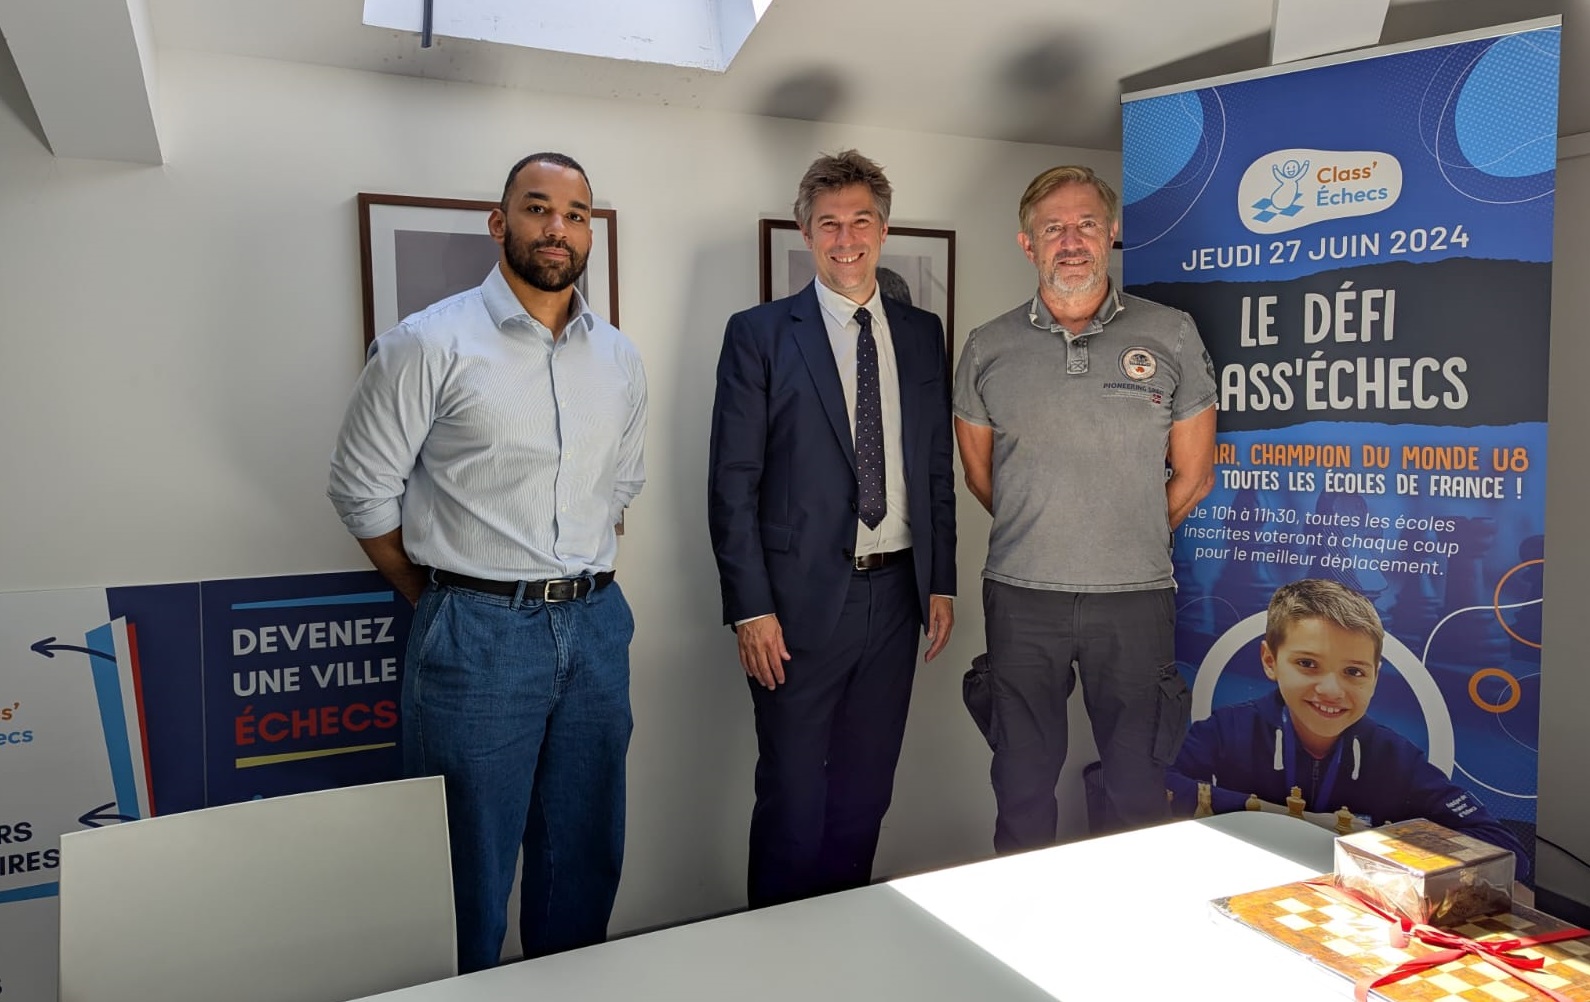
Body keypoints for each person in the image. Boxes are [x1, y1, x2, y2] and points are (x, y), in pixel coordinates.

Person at [327, 152, 646, 971]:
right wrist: (441, 595)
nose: (558, 227)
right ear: (500, 224)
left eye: (576, 214)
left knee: (584, 858)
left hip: (597, 628)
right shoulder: (428, 343)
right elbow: (361, 491)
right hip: (476, 634)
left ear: (590, 233)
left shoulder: (618, 357)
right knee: (464, 871)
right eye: (538, 208)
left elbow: (621, 486)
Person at [708, 149, 957, 907]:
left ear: (883, 230)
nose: (845, 239)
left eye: (860, 222)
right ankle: (775, 953)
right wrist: (751, 609)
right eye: (829, 224)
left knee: (865, 795)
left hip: (896, 599)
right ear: (806, 233)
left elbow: (934, 467)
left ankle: (844, 941)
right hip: (796, 608)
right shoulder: (760, 334)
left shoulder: (921, 333)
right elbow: (732, 483)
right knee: (792, 799)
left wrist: (941, 581)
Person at [954, 164, 1217, 851]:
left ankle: (1132, 916)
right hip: (1022, 598)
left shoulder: (1172, 334)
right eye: (1053, 229)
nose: (1070, 241)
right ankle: (1022, 915)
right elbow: (981, 476)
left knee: (1137, 790)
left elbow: (1195, 475)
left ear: (1112, 233)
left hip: (1134, 600)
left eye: (1086, 224)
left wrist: (1125, 531)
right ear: (1027, 244)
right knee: (1021, 786)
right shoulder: (987, 347)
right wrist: (1049, 526)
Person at [1167, 578, 1529, 875]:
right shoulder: (1227, 730)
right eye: (1307, 664)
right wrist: (1293, 819)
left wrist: (1379, 841)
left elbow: (1506, 848)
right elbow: (1159, 788)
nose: (1331, 689)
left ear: (1375, 678)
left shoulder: (1395, 758)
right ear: (1270, 661)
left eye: (1354, 672)